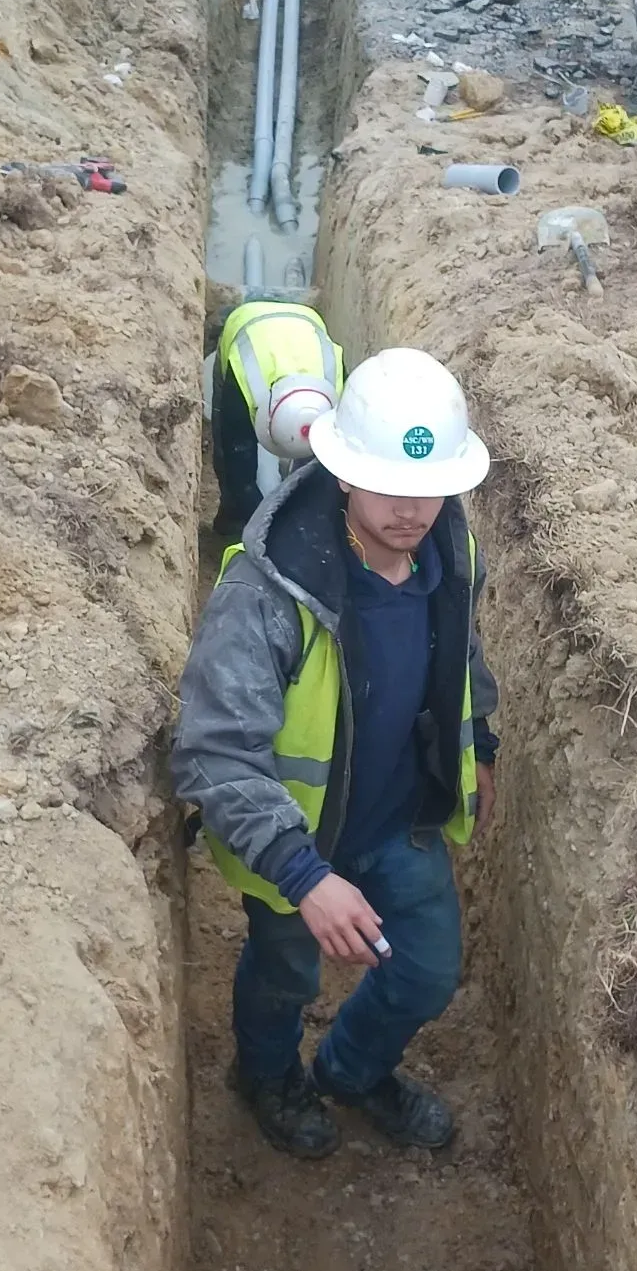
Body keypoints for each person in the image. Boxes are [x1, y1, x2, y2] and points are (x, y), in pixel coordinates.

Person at [174, 348, 499, 1161]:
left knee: (427, 972)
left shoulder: (449, 551)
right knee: (286, 974)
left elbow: (464, 658)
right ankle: (268, 1074)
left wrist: (481, 743)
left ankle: (352, 1071)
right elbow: (216, 752)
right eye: (391, 486)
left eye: (432, 489)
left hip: (398, 819)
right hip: (297, 838)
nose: (413, 510)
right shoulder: (267, 592)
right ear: (342, 469)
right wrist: (304, 877)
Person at [209, 294, 343, 536]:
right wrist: (260, 523)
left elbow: (335, 464)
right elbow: (236, 454)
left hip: (306, 320)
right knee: (230, 456)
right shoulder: (244, 380)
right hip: (244, 325)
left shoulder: (337, 386)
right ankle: (232, 517)